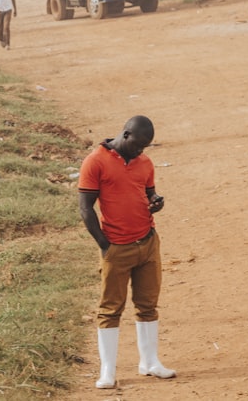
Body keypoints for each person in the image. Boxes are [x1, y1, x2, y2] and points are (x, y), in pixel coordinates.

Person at [78, 115, 175, 389]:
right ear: (126, 135)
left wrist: (155, 202)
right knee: (110, 309)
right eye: (139, 144)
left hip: (147, 242)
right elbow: (86, 208)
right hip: (116, 247)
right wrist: (104, 245)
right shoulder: (95, 161)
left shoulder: (144, 162)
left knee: (147, 306)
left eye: (146, 146)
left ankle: (150, 362)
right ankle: (107, 371)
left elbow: (149, 192)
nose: (142, 150)